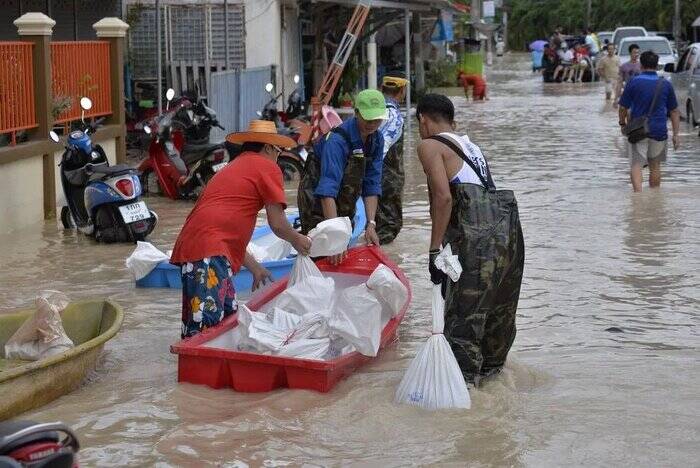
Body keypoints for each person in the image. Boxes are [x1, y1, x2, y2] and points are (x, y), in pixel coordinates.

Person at [415, 94, 525, 385]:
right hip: (508, 237)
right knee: (497, 317)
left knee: (464, 319)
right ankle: (492, 384)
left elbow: (442, 198)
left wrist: (434, 249)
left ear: (423, 120)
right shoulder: (471, 146)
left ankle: (464, 394)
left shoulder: (429, 145)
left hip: (475, 240)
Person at [171, 120, 312, 338]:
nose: (278, 155)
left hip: (202, 248)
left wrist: (255, 267)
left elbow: (224, 230)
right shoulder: (267, 167)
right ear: (267, 147)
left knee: (226, 321)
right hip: (208, 252)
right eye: (278, 150)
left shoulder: (235, 166)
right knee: (205, 333)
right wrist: (298, 239)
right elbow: (277, 223)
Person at [297, 89, 386, 264]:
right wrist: (334, 237)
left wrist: (371, 224)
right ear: (356, 112)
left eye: (377, 118)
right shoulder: (337, 140)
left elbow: (372, 184)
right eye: (368, 118)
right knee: (320, 252)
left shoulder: (376, 139)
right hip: (317, 198)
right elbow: (327, 190)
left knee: (343, 250)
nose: (373, 123)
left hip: (346, 196)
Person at [619, 51, 680, 192]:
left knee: (636, 164)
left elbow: (623, 107)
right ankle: (654, 197)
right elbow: (674, 111)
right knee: (655, 165)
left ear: (641, 65)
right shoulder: (665, 84)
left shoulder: (633, 82)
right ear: (657, 65)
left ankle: (638, 199)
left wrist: (622, 123)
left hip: (638, 130)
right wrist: (676, 135)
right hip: (659, 130)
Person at [375, 74, 408, 244]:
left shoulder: (373, 113)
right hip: (387, 180)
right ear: (402, 91)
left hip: (377, 179)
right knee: (388, 228)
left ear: (382, 89)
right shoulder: (394, 117)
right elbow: (379, 150)